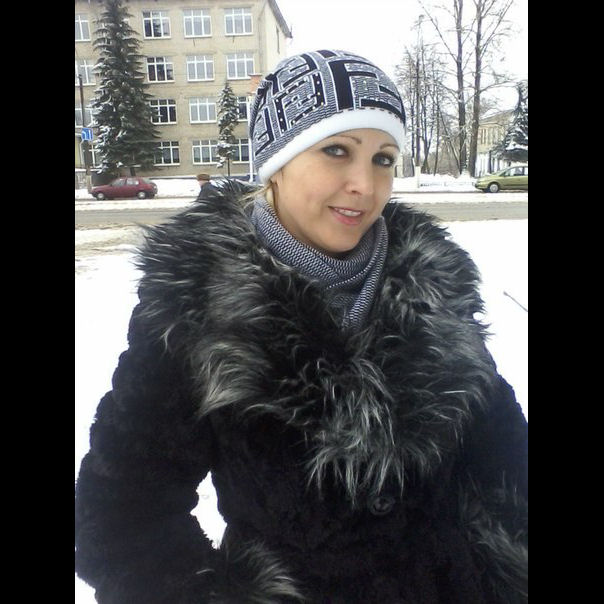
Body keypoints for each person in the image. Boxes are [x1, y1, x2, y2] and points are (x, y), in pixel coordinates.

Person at [75, 50, 527, 603]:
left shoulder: (434, 291)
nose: (365, 184)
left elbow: (505, 461)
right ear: (277, 161)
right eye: (337, 150)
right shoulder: (196, 305)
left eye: (383, 158)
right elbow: (122, 516)